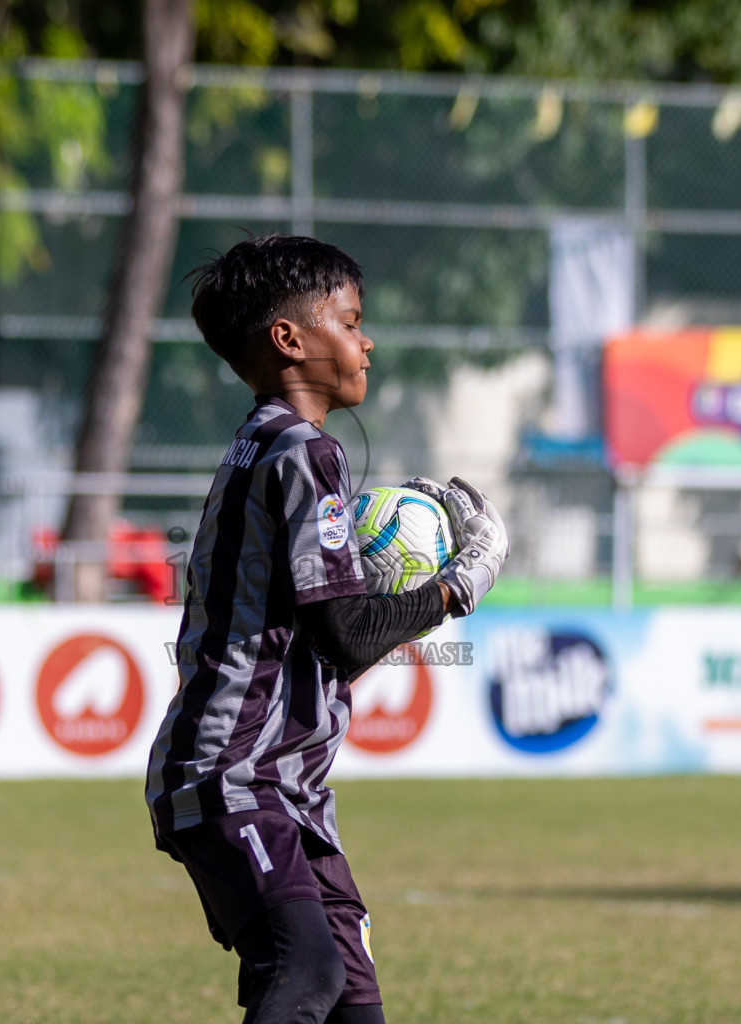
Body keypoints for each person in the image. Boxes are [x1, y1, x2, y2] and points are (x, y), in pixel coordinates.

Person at [144, 235, 508, 1024]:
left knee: (349, 1003)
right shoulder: (306, 452)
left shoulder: (259, 446)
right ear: (291, 340)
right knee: (304, 971)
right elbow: (344, 632)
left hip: (284, 789)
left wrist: (383, 599)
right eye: (350, 320)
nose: (366, 339)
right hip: (235, 776)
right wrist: (458, 586)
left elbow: (319, 652)